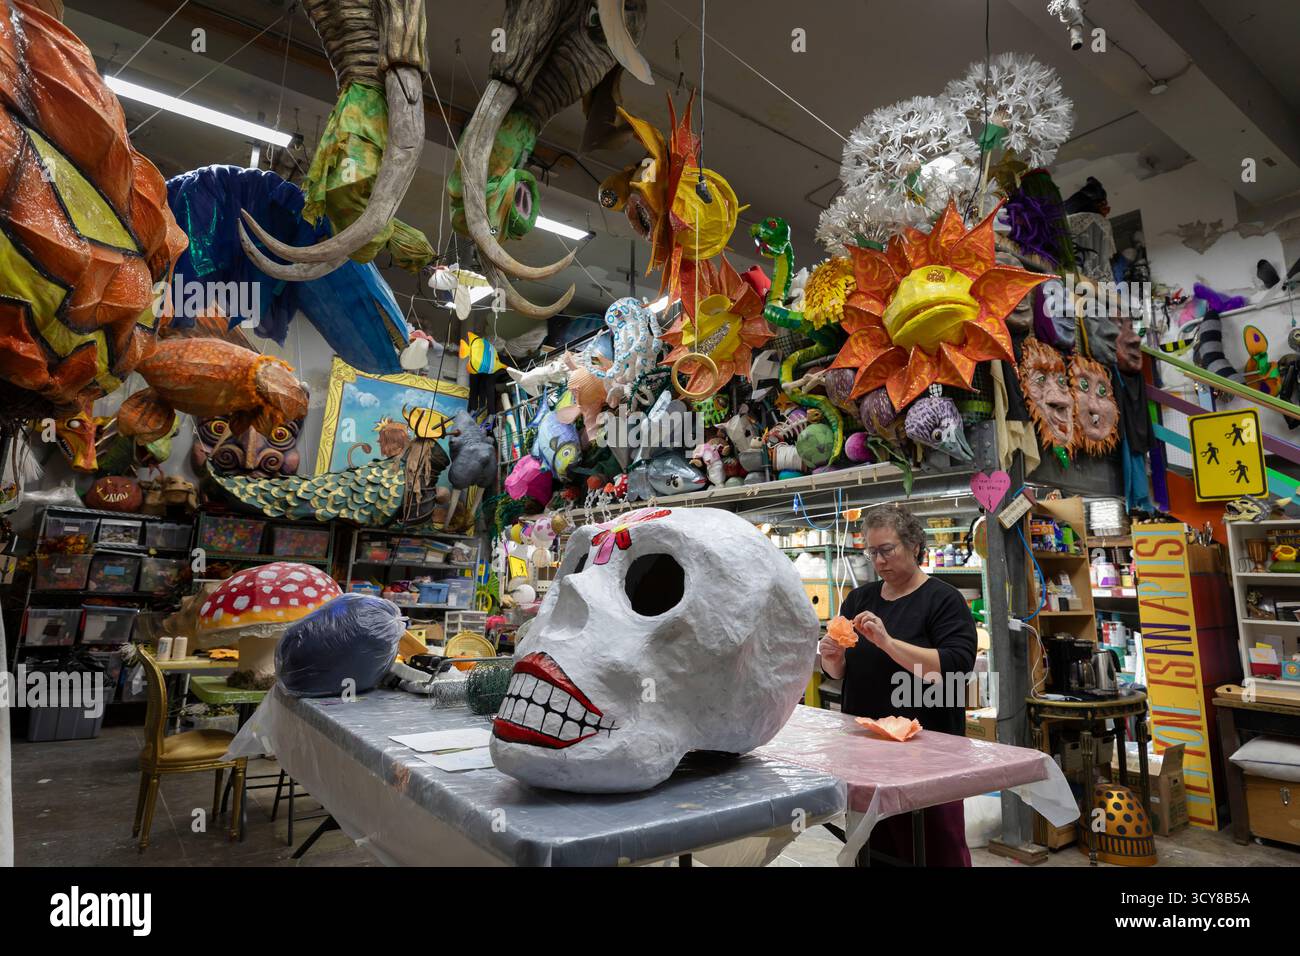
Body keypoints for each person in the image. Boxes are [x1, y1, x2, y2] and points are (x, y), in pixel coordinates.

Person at [818, 502, 978, 866]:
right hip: (866, 754)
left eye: (886, 550)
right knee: (876, 852)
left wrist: (888, 643)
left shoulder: (943, 599)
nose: (878, 561)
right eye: (871, 552)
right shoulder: (860, 598)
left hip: (927, 756)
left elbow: (954, 669)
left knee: (934, 850)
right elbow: (842, 674)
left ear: (914, 546)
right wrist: (832, 658)